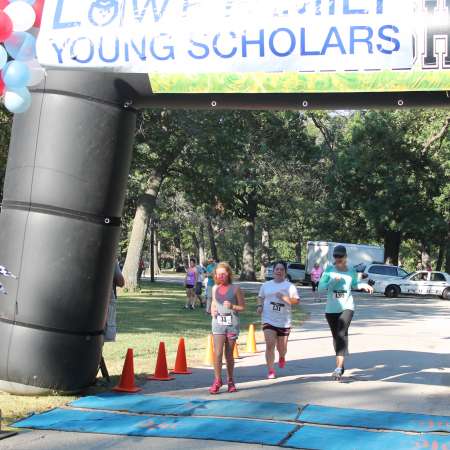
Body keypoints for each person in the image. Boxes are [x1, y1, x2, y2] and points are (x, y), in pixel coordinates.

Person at [319, 245, 373, 381]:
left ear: (345, 257)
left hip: (347, 306)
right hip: (331, 309)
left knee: (341, 333)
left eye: (340, 256)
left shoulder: (351, 270)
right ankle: (341, 360)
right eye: (335, 256)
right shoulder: (329, 270)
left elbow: (354, 284)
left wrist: (363, 285)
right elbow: (320, 288)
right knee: (337, 338)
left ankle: (338, 368)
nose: (338, 259)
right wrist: (331, 281)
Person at [257, 261, 300, 379]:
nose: (279, 271)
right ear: (274, 271)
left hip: (284, 321)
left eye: (282, 269)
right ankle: (271, 370)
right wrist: (260, 306)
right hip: (268, 319)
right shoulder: (266, 285)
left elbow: (296, 301)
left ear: (285, 272)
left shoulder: (290, 286)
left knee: (282, 348)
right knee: (270, 345)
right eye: (277, 269)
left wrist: (284, 297)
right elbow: (260, 297)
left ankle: (282, 356)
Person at [209, 262, 245, 394]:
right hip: (218, 324)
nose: (220, 276)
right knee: (217, 353)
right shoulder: (214, 288)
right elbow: (213, 303)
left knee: (229, 355)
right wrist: (212, 310)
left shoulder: (236, 289)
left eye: (223, 274)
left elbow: (242, 307)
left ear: (228, 274)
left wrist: (232, 307)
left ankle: (230, 380)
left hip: (231, 324)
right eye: (218, 274)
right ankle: (217, 380)